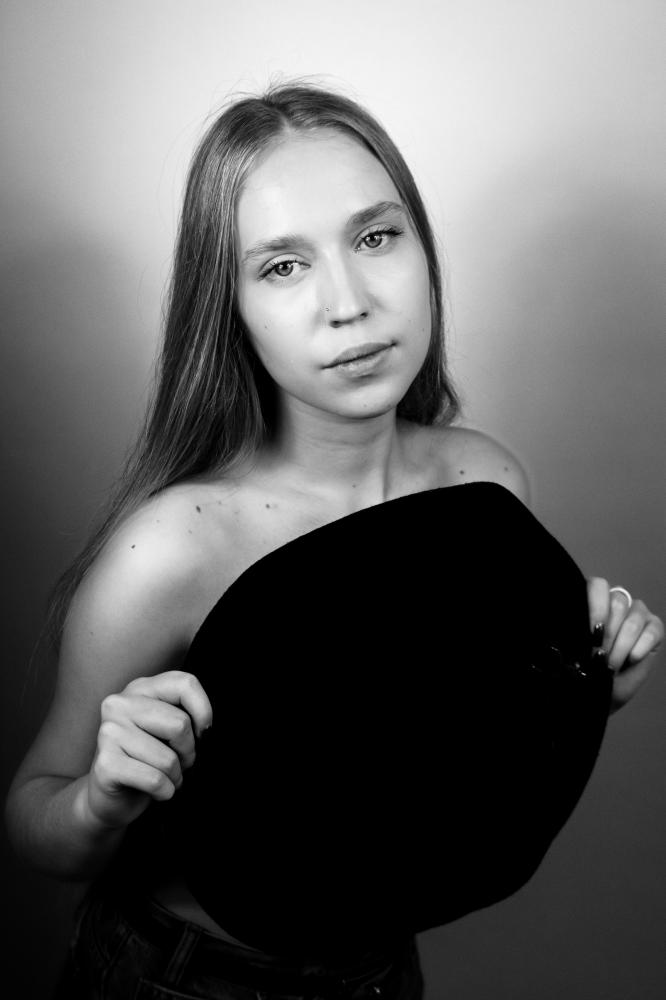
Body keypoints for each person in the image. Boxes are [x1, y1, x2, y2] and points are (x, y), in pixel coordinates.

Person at [5, 81, 663, 1000]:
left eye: (376, 238)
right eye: (283, 266)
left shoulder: (487, 485)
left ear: (423, 251)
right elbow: (34, 820)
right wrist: (100, 796)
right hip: (184, 980)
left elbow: (430, 756)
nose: (348, 303)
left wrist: (585, 685)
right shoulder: (173, 551)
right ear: (227, 305)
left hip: (380, 973)